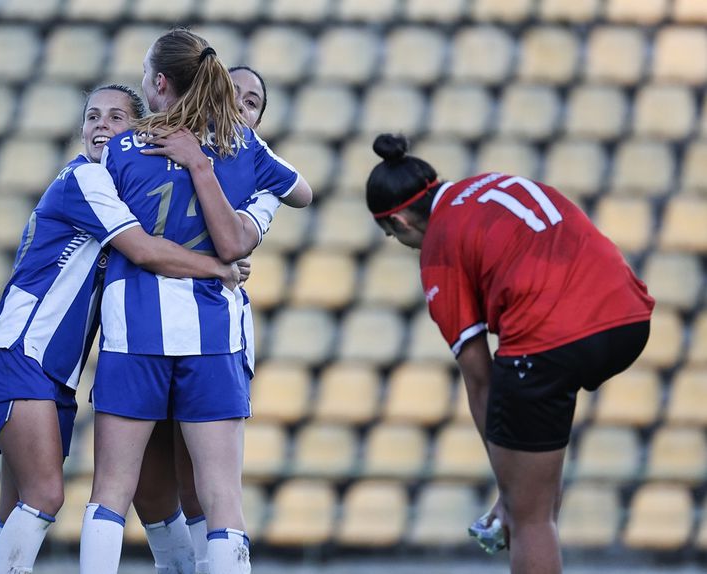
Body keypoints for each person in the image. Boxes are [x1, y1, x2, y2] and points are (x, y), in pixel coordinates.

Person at [0, 84, 247, 574]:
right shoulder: (86, 180)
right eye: (93, 116)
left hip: (51, 370)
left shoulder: (123, 190)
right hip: (20, 352)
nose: (101, 124)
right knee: (45, 496)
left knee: (15, 508)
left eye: (117, 117)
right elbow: (144, 250)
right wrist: (218, 269)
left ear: (139, 133)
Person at [364, 133, 654, 574]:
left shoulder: (439, 245)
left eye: (392, 236)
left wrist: (508, 487)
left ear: (401, 222)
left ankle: (526, 509)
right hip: (628, 317)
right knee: (533, 472)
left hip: (554, 338)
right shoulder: (493, 184)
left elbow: (479, 378)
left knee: (528, 518)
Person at [80, 29, 310, 574]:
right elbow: (301, 191)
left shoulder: (120, 149)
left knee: (110, 490)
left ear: (159, 82)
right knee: (221, 495)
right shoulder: (242, 146)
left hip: (134, 333)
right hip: (212, 334)